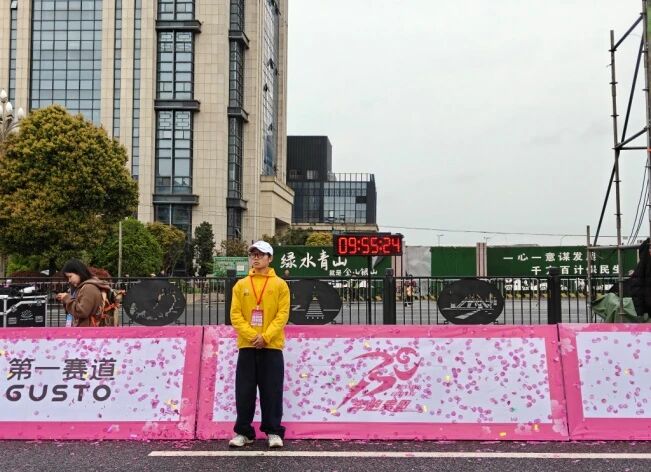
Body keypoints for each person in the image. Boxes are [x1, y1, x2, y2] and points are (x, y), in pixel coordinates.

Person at [228, 240, 290, 449]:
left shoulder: (280, 285)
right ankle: (243, 432)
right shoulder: (241, 285)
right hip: (247, 345)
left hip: (271, 346)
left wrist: (266, 336)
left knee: (272, 391)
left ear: (269, 258)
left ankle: (273, 432)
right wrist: (253, 336)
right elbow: (235, 315)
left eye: (260, 254)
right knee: (244, 391)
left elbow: (282, 315)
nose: (256, 258)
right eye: (253, 254)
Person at [55, 259, 111, 327]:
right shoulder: (87, 286)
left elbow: (82, 312)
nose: (69, 280)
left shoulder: (88, 288)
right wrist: (65, 300)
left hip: (87, 330)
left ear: (79, 273)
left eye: (70, 276)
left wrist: (67, 298)